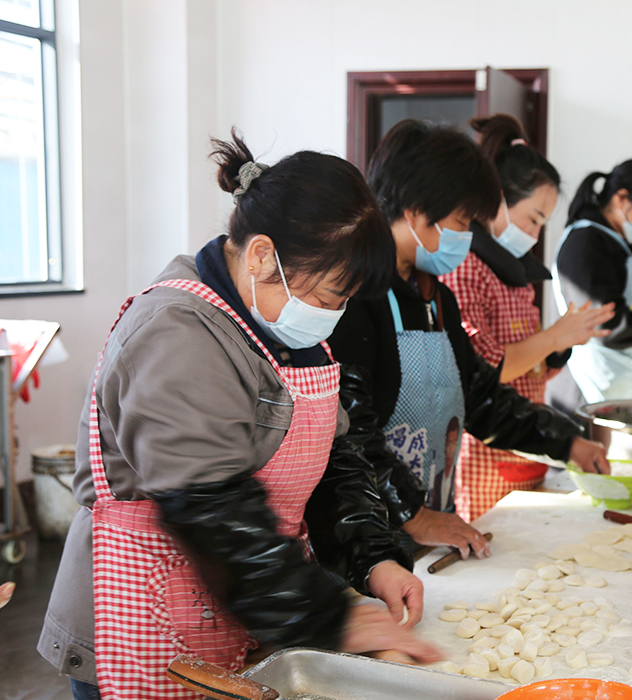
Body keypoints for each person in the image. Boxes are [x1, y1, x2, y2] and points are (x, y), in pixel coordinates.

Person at [39, 131, 440, 700]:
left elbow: (334, 460)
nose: (331, 315)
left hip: (245, 611)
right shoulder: (176, 333)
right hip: (146, 626)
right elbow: (212, 510)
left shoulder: (280, 325)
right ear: (260, 255)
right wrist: (329, 617)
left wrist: (371, 557)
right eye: (327, 297)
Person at [314, 120, 609, 562]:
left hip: (430, 532)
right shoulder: (354, 298)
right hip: (367, 543)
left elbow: (480, 397)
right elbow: (348, 431)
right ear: (416, 212)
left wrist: (567, 442)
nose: (467, 236)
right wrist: (413, 513)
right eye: (461, 221)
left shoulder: (436, 299)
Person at [440, 114, 615, 521]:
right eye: (533, 218)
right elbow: (485, 370)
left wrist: (563, 343)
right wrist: (554, 337)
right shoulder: (465, 266)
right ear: (497, 199)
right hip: (485, 455)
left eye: (543, 224)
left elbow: (532, 369)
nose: (535, 235)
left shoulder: (516, 274)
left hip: (528, 446)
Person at [547, 158, 632, 414]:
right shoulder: (585, 242)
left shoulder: (617, 243)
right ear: (621, 198)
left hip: (619, 385)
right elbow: (607, 325)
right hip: (586, 390)